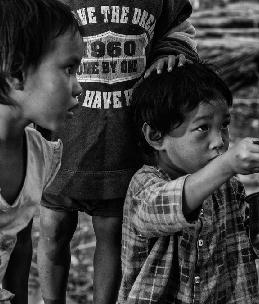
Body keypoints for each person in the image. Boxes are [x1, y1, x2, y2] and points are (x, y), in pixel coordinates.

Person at [37, 1, 199, 304]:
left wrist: (170, 52)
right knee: (52, 230)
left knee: (111, 235)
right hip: (61, 140)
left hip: (122, 142)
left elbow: (179, 29)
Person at [117, 62, 259, 303]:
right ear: (156, 136)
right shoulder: (144, 186)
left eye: (224, 125)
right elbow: (163, 207)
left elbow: (244, 242)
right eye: (203, 127)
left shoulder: (228, 187)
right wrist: (227, 165)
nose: (219, 141)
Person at [0, 0, 82, 303]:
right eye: (68, 69)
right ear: (17, 71)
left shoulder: (38, 154)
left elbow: (18, 246)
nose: (78, 87)